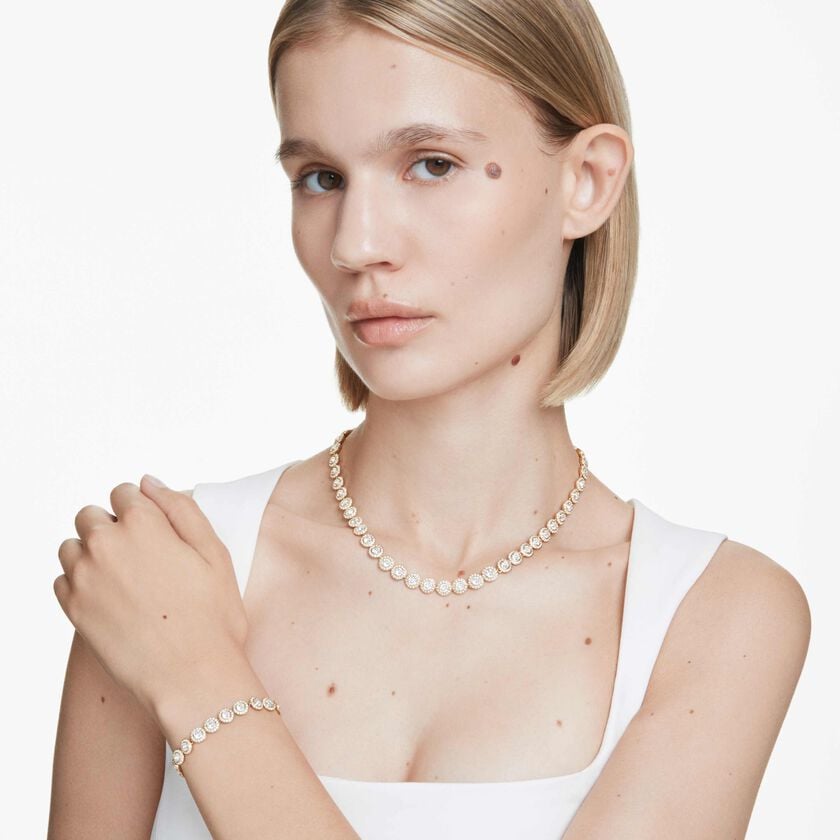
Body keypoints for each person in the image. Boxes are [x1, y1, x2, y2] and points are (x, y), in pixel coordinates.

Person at [48, 2, 811, 838]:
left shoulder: (713, 617)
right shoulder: (162, 568)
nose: (356, 244)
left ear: (587, 182)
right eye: (320, 178)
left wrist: (199, 680)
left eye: (431, 165)